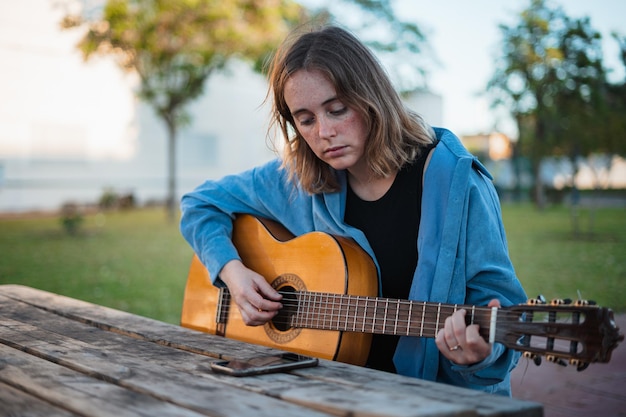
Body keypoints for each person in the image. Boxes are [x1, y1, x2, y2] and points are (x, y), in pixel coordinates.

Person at [180, 25, 527, 395]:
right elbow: (199, 204)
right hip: (330, 390)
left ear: (371, 97)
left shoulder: (457, 182)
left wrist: (479, 355)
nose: (323, 132)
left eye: (337, 110)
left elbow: (502, 307)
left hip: (434, 398)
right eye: (306, 119)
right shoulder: (298, 178)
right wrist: (233, 274)